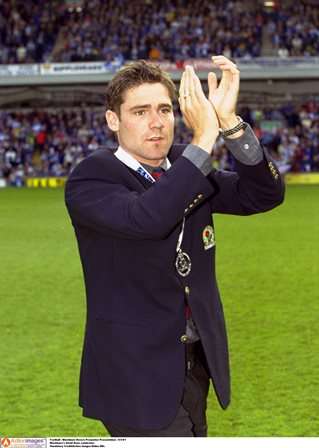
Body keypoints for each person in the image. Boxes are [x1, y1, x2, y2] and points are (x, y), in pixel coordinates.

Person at [65, 55, 285, 437]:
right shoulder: (92, 177)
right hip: (133, 373)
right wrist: (203, 139)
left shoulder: (185, 163)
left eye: (165, 109)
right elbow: (148, 218)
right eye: (140, 111)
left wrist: (230, 126)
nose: (157, 122)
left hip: (193, 361)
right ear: (113, 120)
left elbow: (262, 195)